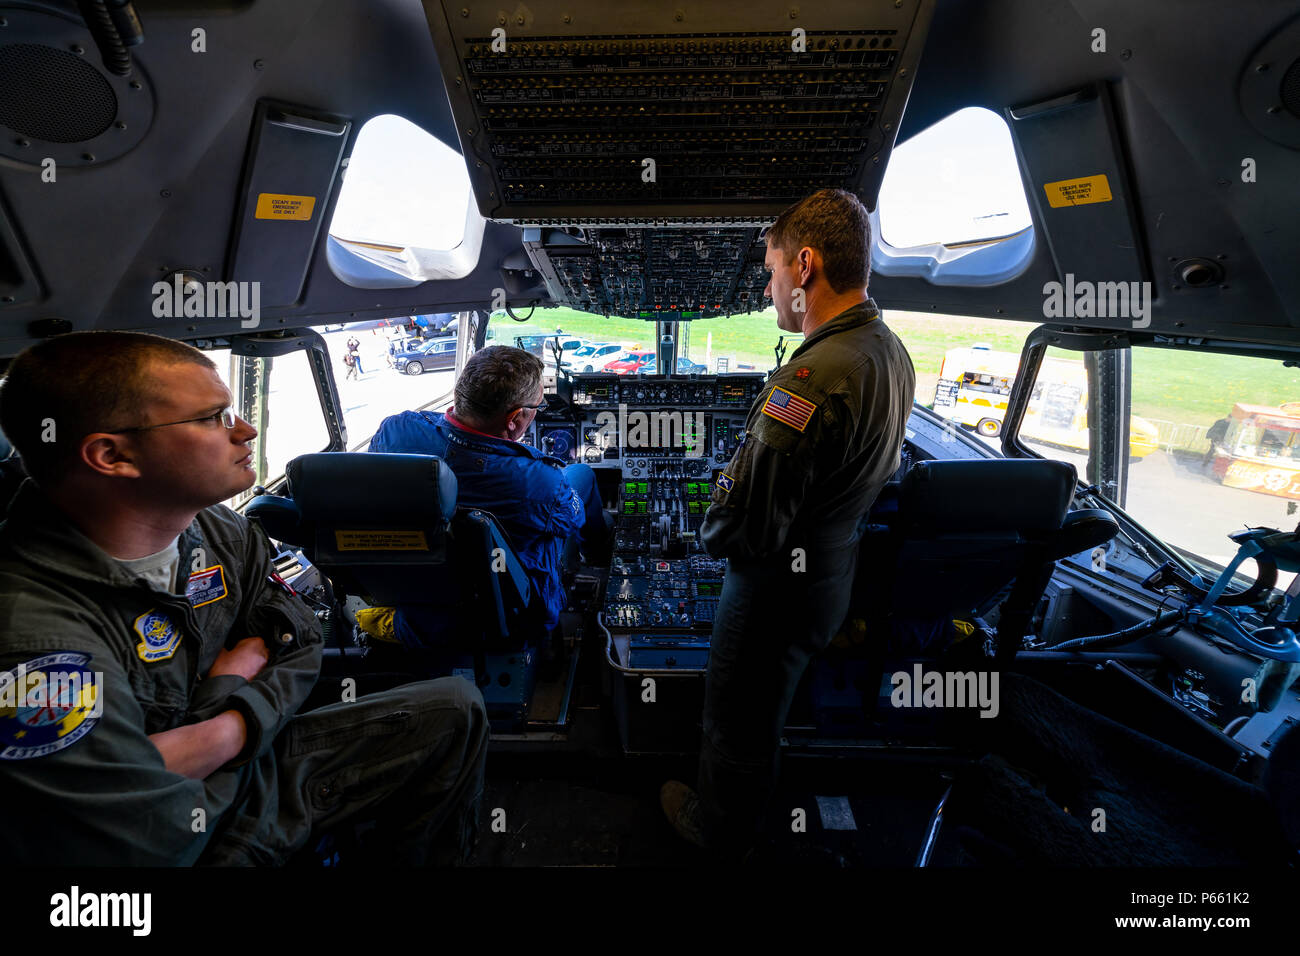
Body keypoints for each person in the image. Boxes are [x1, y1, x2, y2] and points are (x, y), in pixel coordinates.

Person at [0, 331, 488, 865]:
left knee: (455, 710)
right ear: (112, 455)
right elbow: (129, 828)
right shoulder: (31, 633)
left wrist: (210, 732)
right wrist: (234, 712)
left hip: (248, 768)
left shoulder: (217, 531)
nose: (246, 430)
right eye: (213, 418)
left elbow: (299, 640)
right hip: (191, 836)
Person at [660, 188, 917, 857]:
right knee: (769, 709)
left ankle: (717, 830)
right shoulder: (889, 350)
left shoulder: (806, 380)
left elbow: (744, 529)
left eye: (772, 269)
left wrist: (704, 524)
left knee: (739, 721)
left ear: (804, 265)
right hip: (830, 578)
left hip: (772, 593)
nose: (769, 285)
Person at [369, 345, 609, 640]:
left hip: (420, 596)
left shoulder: (396, 431)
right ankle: (597, 556)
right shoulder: (539, 483)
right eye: (537, 407)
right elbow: (571, 520)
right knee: (581, 475)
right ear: (515, 418)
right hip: (514, 610)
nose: (537, 413)